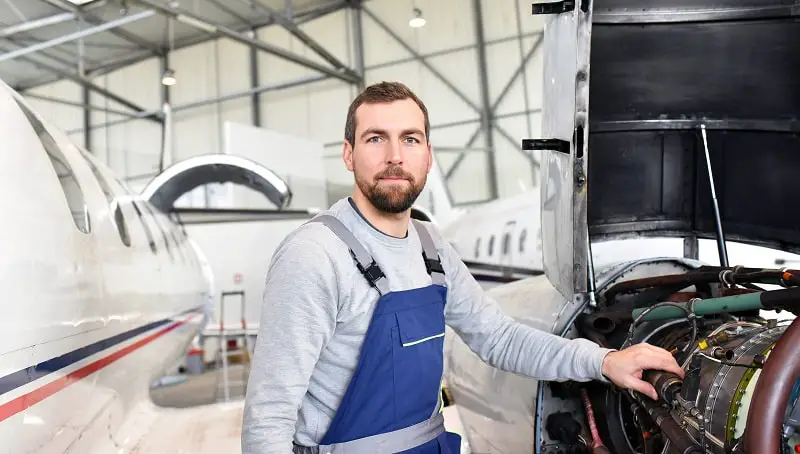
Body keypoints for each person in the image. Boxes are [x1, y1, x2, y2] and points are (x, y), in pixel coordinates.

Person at [241, 81, 685, 454]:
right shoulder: (314, 254)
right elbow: (270, 414)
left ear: (427, 155)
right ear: (348, 153)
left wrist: (604, 360)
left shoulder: (432, 246)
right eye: (376, 138)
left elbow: (499, 338)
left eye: (410, 139)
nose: (395, 155)